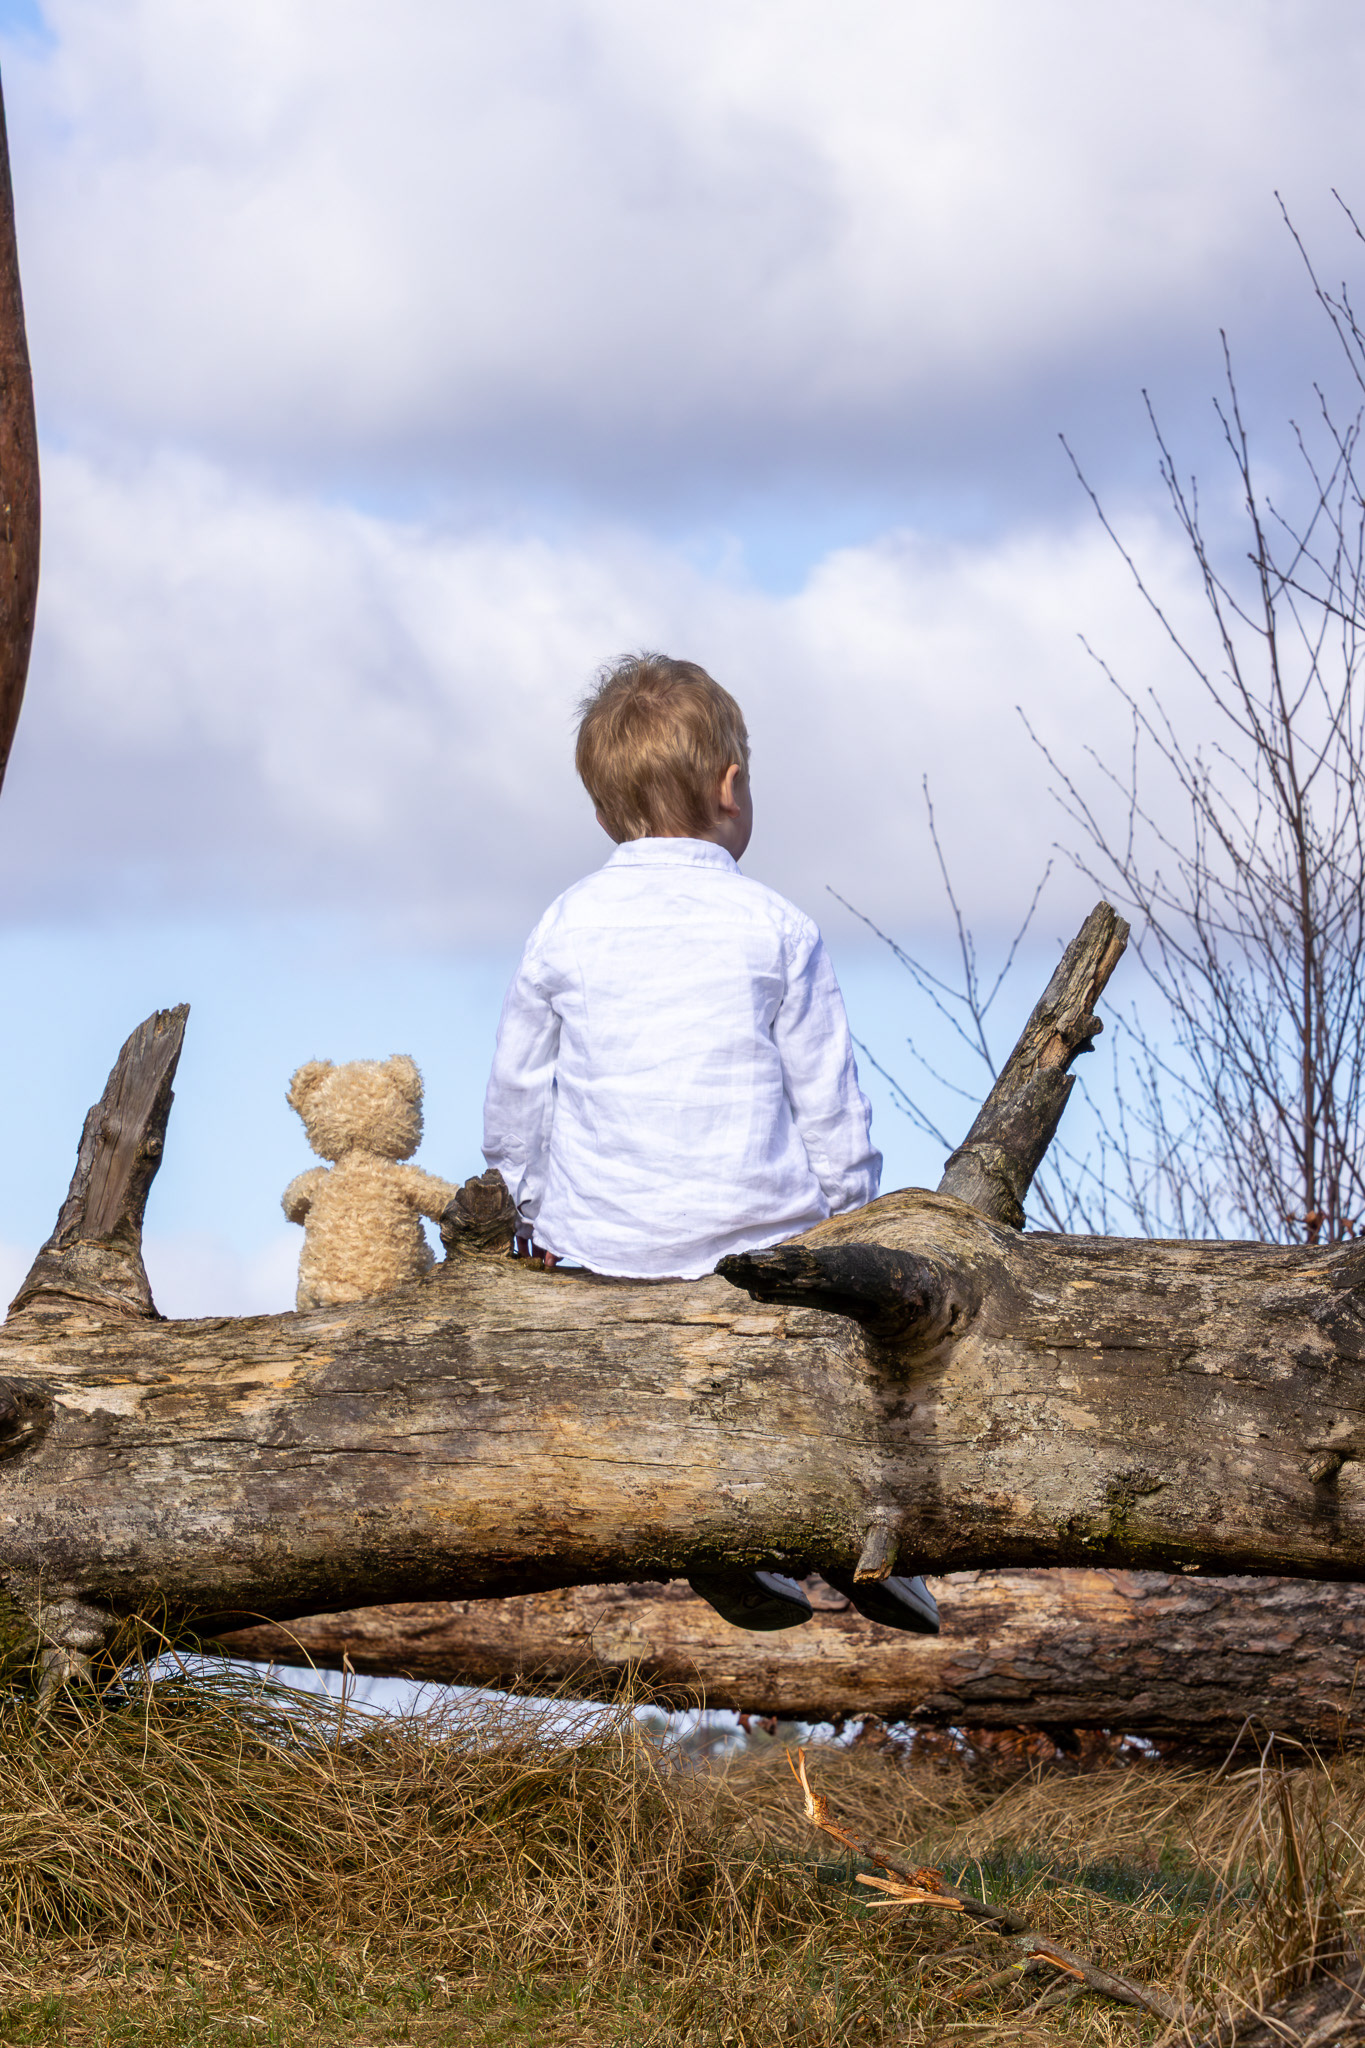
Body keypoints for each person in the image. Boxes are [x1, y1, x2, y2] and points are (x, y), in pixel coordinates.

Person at [482, 653, 939, 1638]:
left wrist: (531, 1215)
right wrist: (847, 1224)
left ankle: (717, 1532)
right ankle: (853, 1535)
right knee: (837, 1366)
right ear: (732, 788)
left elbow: (519, 1097)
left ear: (606, 808)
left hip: (607, 1253)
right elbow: (832, 1112)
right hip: (753, 1249)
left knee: (666, 1392)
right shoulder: (776, 927)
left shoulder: (564, 924)